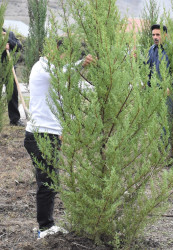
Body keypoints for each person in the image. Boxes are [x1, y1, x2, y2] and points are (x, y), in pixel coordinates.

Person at [24, 40, 93, 238]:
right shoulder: (42, 68)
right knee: (47, 183)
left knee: (51, 181)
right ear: (53, 51)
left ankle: (48, 224)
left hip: (48, 135)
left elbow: (63, 74)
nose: (66, 57)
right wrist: (81, 64)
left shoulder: (50, 67)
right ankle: (44, 228)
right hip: (40, 136)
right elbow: (63, 72)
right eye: (64, 53)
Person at [2, 28, 23, 126]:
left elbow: (19, 47)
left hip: (9, 68)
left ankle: (15, 119)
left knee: (13, 92)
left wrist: (8, 41)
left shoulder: (9, 34)